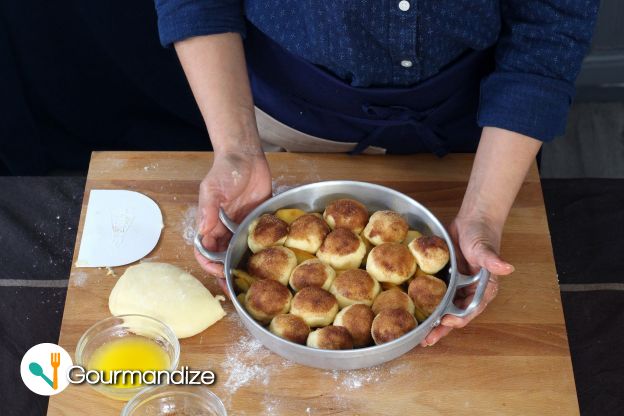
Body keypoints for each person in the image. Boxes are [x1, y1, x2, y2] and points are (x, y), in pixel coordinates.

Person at [153, 1, 599, 346]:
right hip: (289, 116)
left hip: (482, 132)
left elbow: (551, 28)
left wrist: (484, 210)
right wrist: (237, 151)